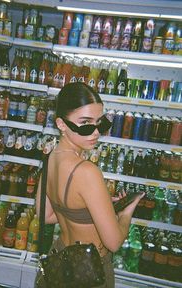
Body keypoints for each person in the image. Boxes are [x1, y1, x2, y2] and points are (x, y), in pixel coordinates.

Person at [36, 82, 144, 287]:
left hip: (59, 260)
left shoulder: (50, 159)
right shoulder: (87, 172)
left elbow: (47, 217)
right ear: (61, 124)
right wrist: (125, 213)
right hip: (89, 269)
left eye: (100, 124)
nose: (96, 133)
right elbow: (113, 243)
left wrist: (96, 207)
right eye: (86, 123)